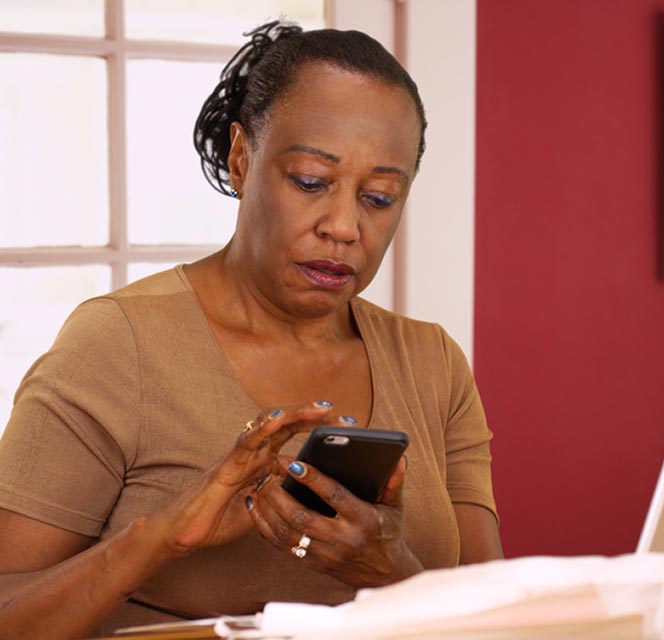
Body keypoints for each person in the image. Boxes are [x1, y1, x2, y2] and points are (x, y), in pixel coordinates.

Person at [0, 21, 501, 639]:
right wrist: (163, 538)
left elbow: (500, 625)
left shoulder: (432, 362)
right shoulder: (117, 343)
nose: (343, 226)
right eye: (311, 182)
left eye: (378, 197)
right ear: (241, 158)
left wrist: (389, 571)